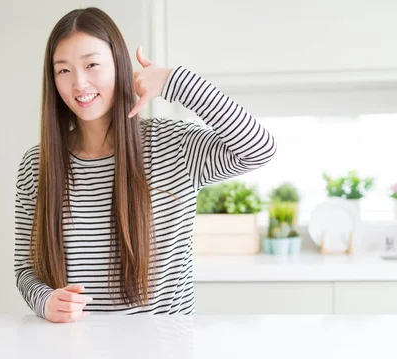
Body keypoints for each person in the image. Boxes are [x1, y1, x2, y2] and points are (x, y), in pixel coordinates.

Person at [14, 7, 276, 323]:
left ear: (120, 66)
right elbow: (27, 269)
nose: (80, 84)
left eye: (92, 65)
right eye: (63, 71)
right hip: (75, 347)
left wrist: (174, 81)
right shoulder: (36, 165)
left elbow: (259, 149)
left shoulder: (173, 146)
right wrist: (45, 301)